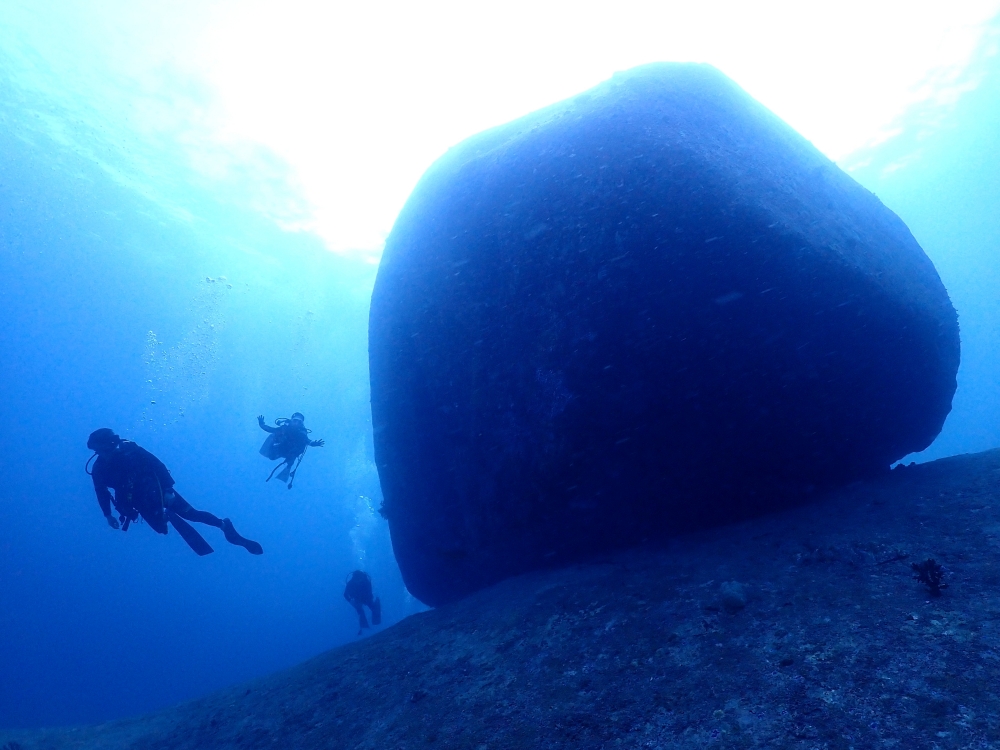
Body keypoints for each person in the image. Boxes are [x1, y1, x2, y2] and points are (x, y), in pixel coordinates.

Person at [86, 428, 263, 556]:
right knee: (160, 530)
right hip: (134, 500)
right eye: (98, 451)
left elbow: (158, 466)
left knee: (192, 515)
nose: (102, 454)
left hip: (157, 490)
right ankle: (163, 515)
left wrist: (169, 489)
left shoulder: (132, 450)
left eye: (104, 449)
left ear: (113, 443)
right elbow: (100, 491)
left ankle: (223, 525)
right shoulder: (99, 468)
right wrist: (108, 515)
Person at [257, 412, 324, 489]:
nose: (296, 423)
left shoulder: (301, 432)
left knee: (292, 455)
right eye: (295, 421)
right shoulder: (284, 428)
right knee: (272, 455)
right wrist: (261, 424)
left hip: (291, 452)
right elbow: (270, 429)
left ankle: (289, 465)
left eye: (299, 422)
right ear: (291, 420)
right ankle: (286, 463)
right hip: (281, 448)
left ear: (301, 423)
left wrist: (313, 443)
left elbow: (307, 440)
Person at [343, 570, 381, 635]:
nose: (359, 580)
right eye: (357, 578)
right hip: (357, 599)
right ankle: (364, 627)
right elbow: (345, 595)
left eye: (360, 578)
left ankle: (376, 624)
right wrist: (351, 602)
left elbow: (370, 590)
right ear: (354, 578)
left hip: (367, 597)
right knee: (361, 612)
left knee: (374, 608)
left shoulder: (366, 581)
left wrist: (369, 598)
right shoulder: (350, 584)